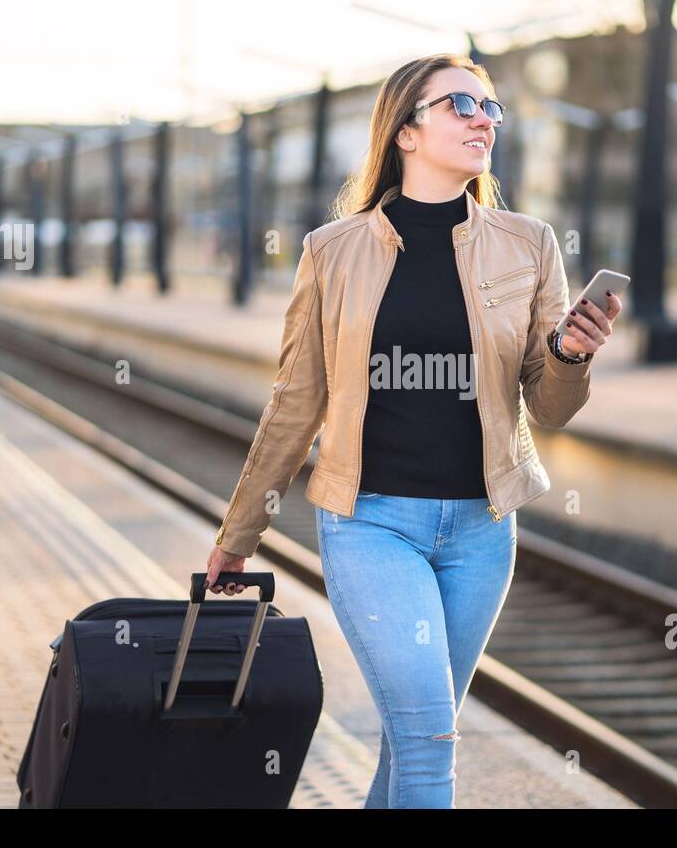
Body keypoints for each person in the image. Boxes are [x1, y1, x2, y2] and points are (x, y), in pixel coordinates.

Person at [203, 53, 622, 808]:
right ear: (405, 129)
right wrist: (238, 536)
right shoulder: (333, 252)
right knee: (430, 740)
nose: (482, 119)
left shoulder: (527, 244)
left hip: (482, 532)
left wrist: (568, 354)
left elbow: (550, 407)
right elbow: (295, 404)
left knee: (412, 744)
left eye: (491, 107)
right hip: (372, 526)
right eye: (461, 104)